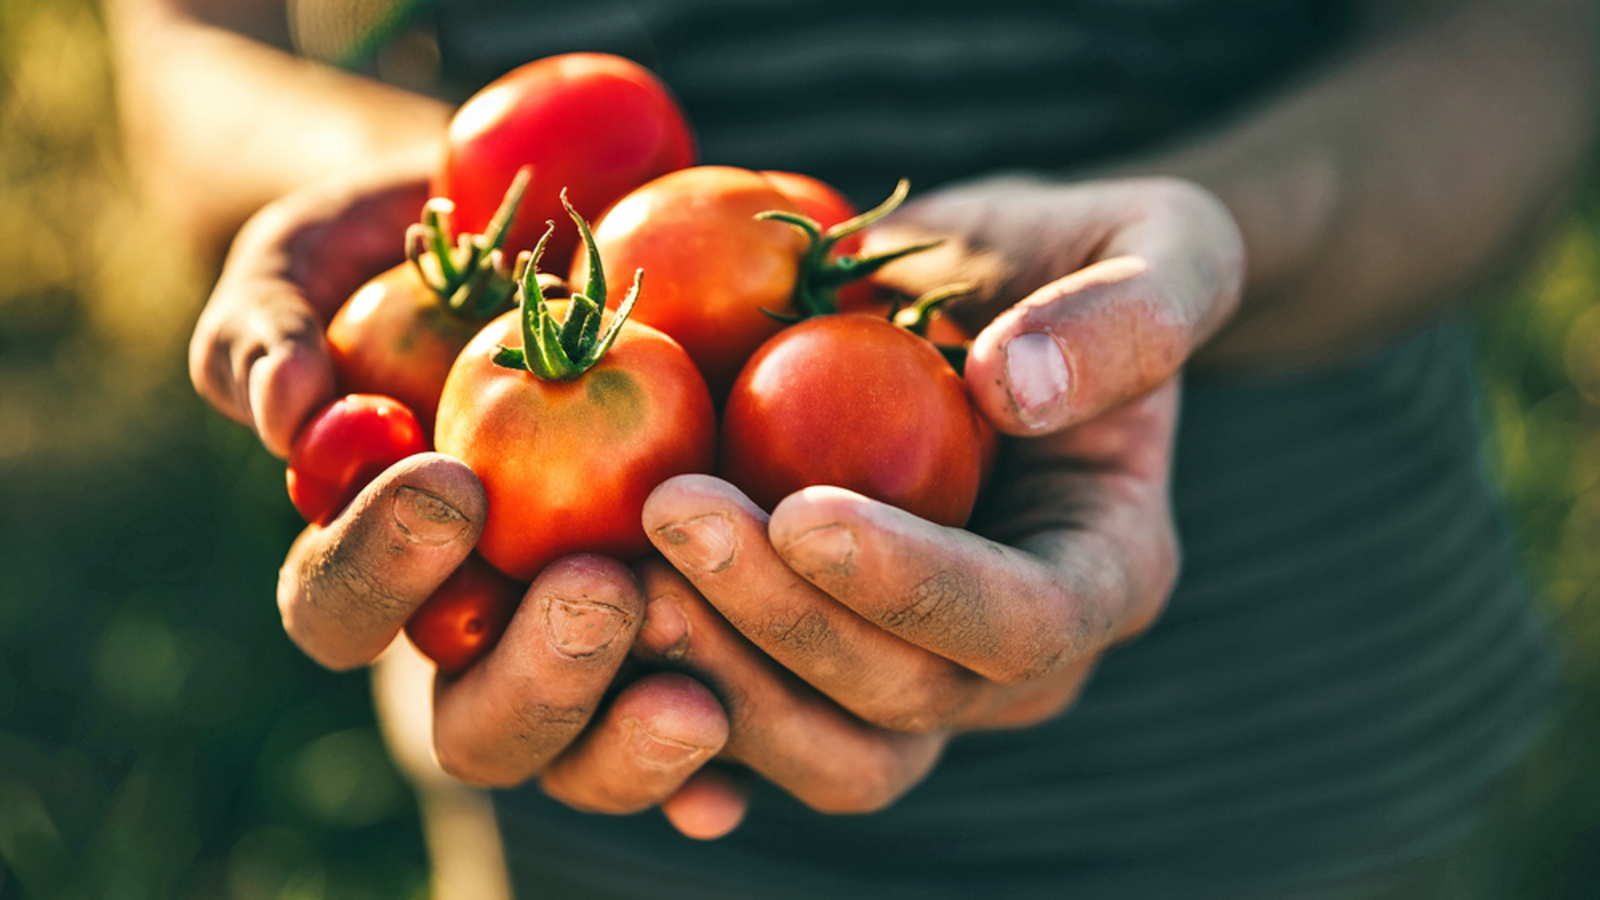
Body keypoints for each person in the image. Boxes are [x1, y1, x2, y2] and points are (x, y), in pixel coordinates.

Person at [107, 0, 1596, 897]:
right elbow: (189, 56)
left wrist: (1198, 262)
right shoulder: (637, 319)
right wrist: (426, 246)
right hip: (582, 770)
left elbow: (1523, 54)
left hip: (1295, 727)